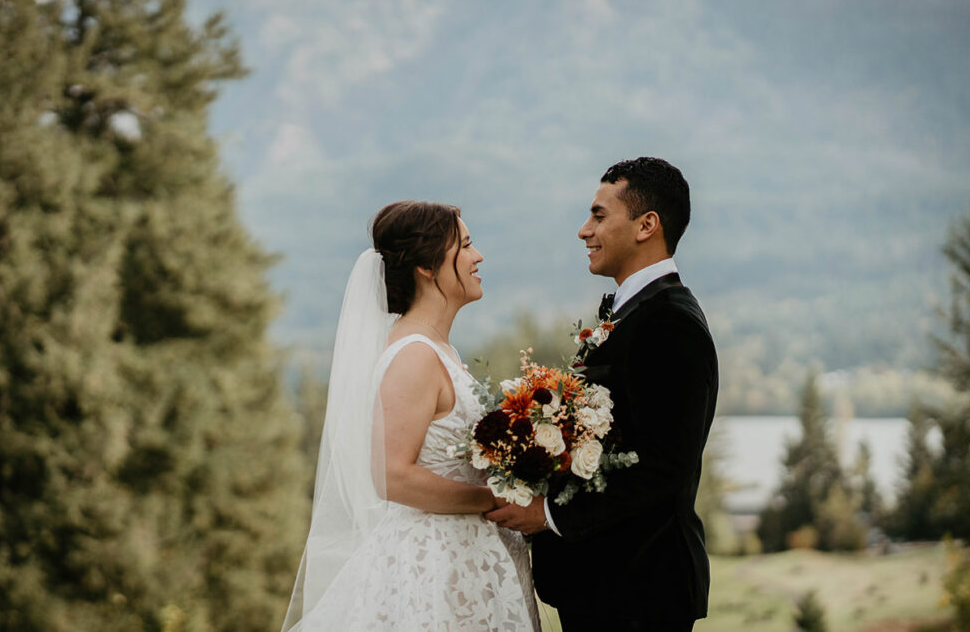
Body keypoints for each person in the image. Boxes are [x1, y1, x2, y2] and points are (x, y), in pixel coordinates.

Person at [282, 201, 540, 631]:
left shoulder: (438, 349)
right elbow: (391, 476)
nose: (479, 257)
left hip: (467, 556)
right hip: (433, 563)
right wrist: (491, 499)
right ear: (427, 266)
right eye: (467, 246)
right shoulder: (414, 356)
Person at [487, 158, 719, 631]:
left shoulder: (669, 322)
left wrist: (548, 514)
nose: (583, 231)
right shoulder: (633, 315)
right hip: (608, 587)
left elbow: (664, 467)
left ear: (646, 225)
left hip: (640, 588)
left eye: (598, 215)